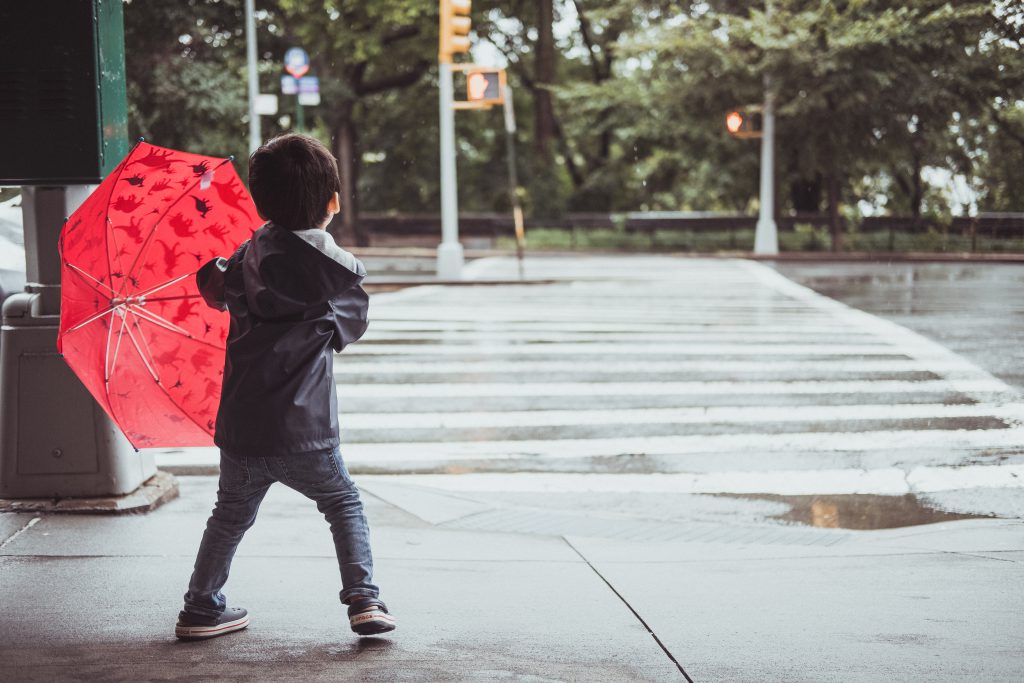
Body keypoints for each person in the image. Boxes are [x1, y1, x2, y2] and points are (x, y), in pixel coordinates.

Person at [174, 133, 394, 640]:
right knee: (342, 503)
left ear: (261, 202)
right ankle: (363, 600)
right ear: (333, 203)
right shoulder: (337, 277)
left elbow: (213, 286)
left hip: (243, 428)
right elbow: (350, 326)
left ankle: (200, 607)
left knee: (229, 514)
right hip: (306, 431)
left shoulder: (248, 257)